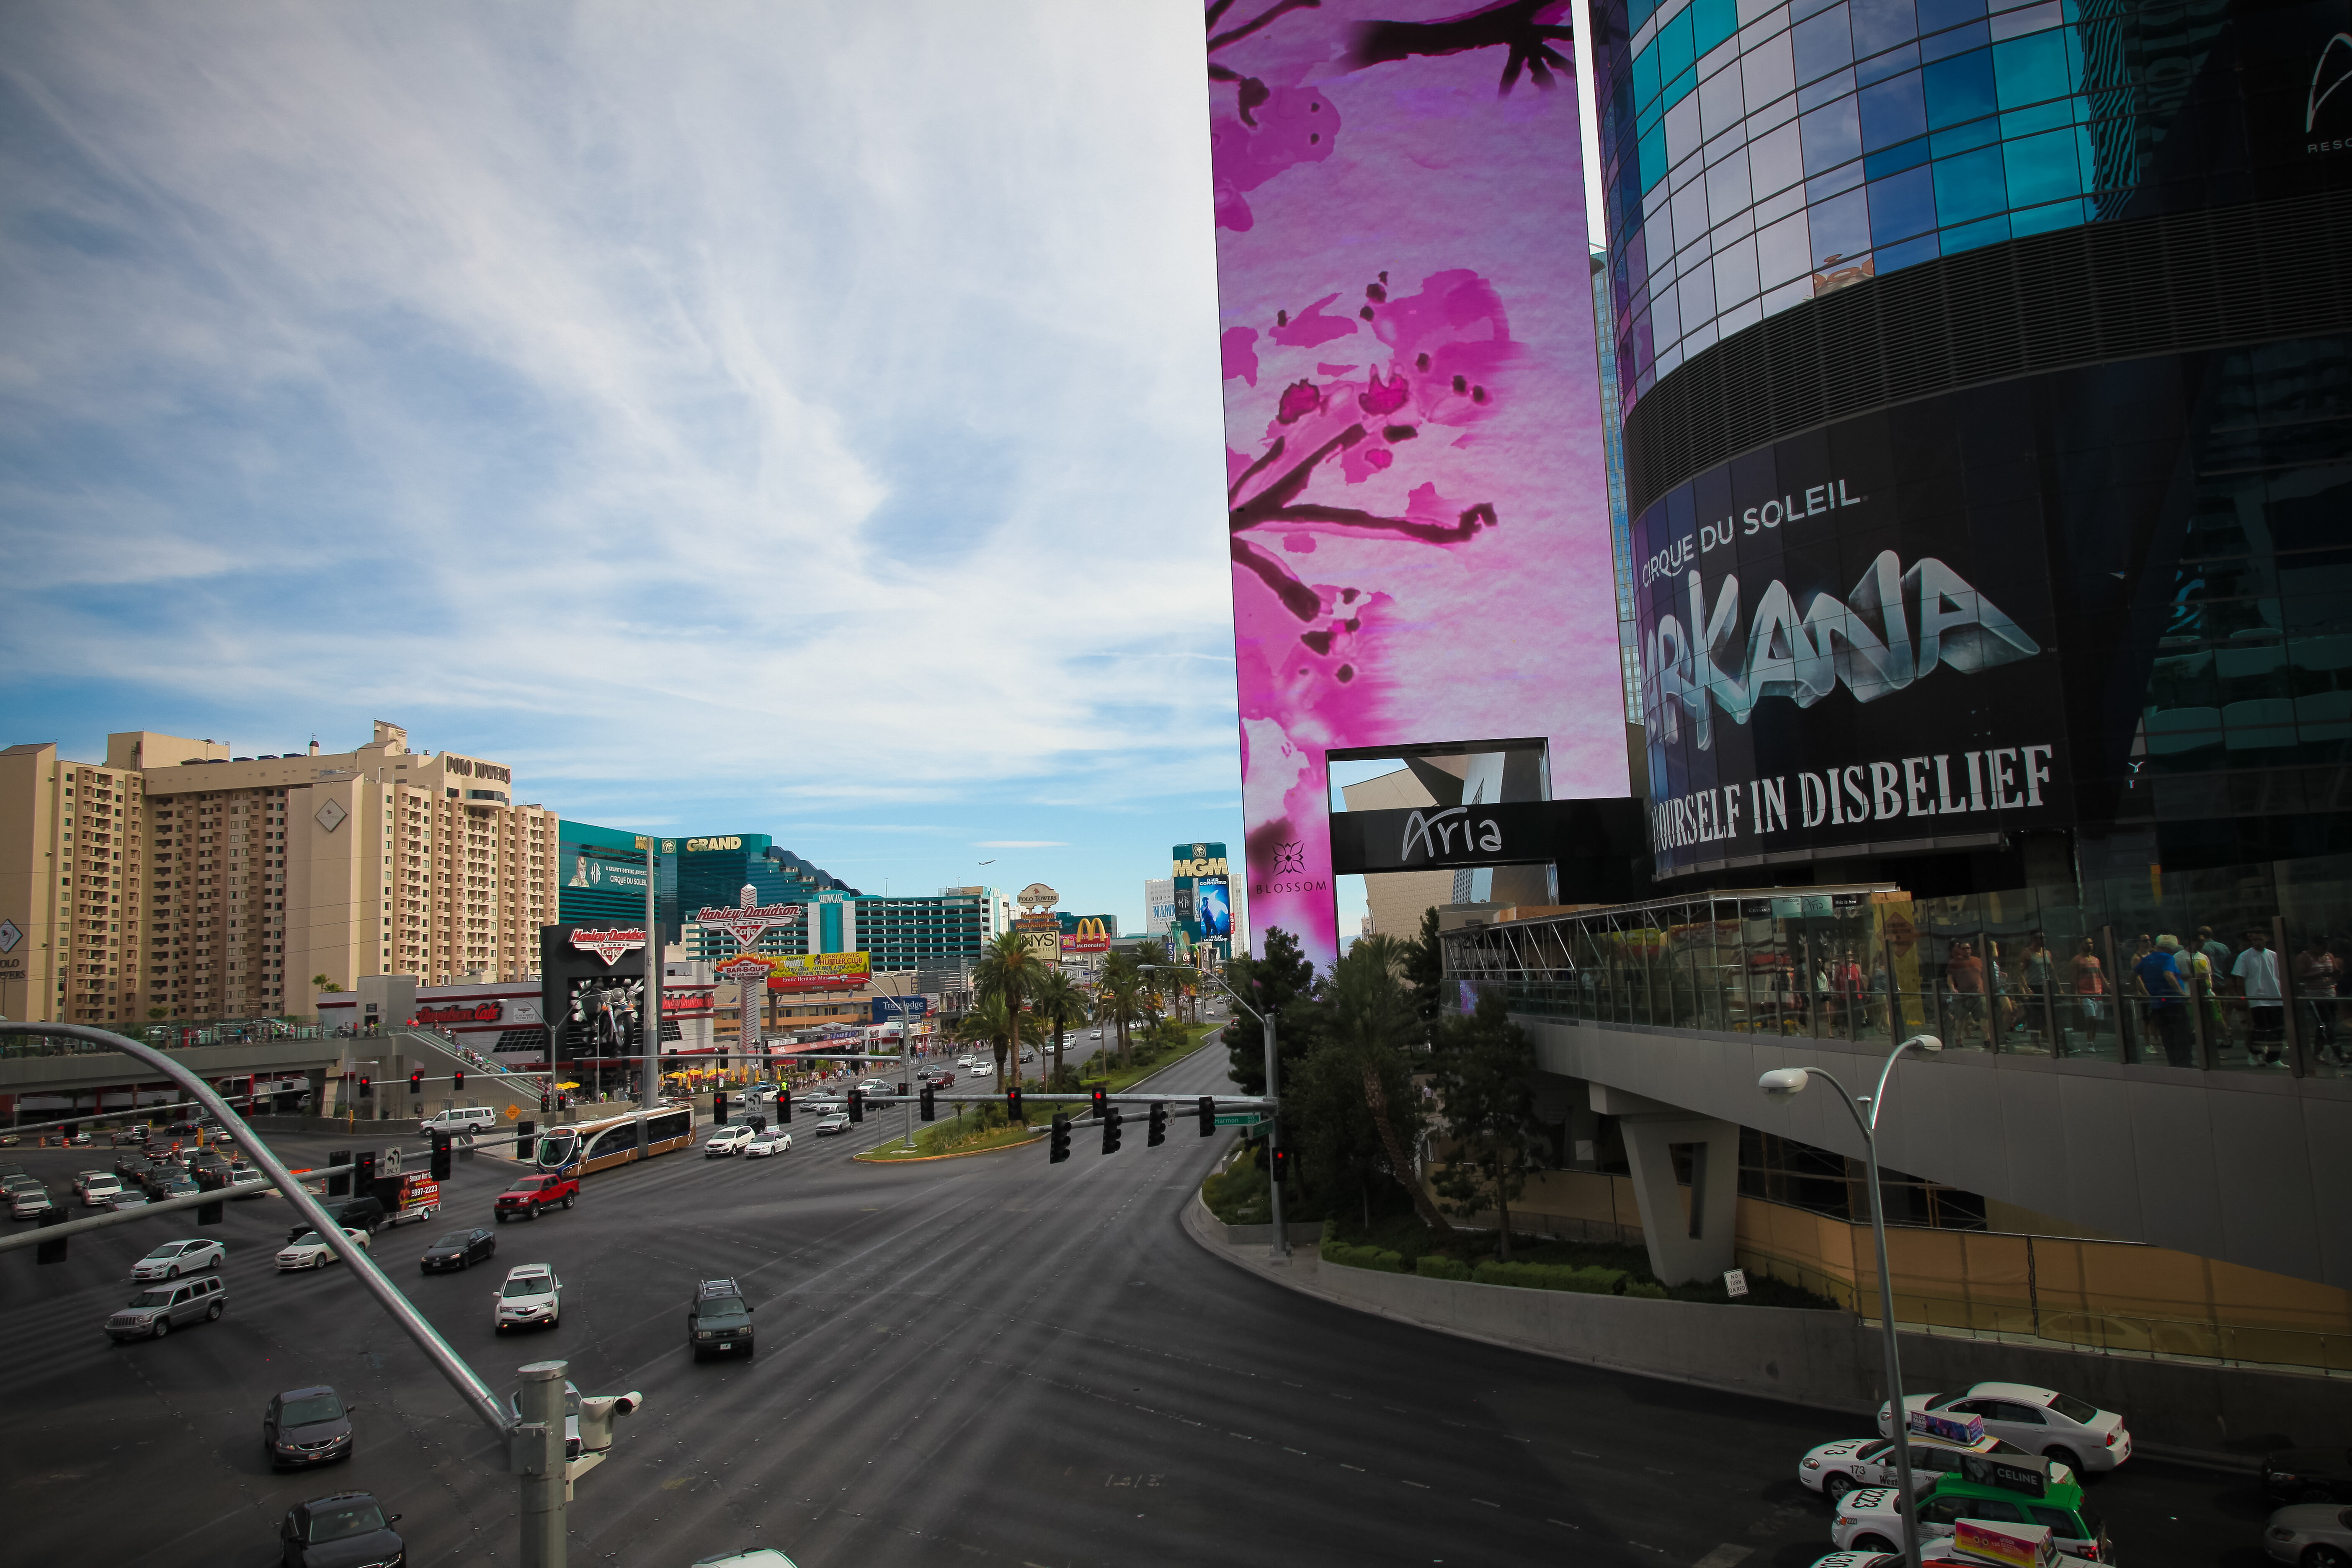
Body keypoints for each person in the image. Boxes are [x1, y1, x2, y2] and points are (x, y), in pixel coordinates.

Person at [2137, 935, 2195, 1067]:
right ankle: (2185, 1063)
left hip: (2158, 1004)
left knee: (2167, 1036)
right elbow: (2168, 974)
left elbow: (2133, 975)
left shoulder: (2148, 959)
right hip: (2174, 1002)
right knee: (2182, 1034)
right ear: (2172, 948)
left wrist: (2138, 992)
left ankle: (2173, 1062)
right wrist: (2181, 992)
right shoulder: (2168, 958)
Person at [2233, 928, 2286, 1067]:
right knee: (2261, 1030)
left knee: (2277, 1030)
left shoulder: (2274, 955)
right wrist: (2243, 998)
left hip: (2276, 997)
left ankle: (2273, 1058)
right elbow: (2240, 979)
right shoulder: (2245, 956)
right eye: (2254, 940)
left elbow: (2280, 976)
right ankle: (2255, 1053)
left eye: (2260, 939)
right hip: (2257, 998)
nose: (2257, 942)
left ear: (2266, 939)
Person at [2295, 934, 2341, 1067]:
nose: (2324, 951)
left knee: (2324, 1026)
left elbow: (2336, 970)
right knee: (2326, 1024)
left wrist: (2337, 974)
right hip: (2315, 997)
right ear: (2314, 946)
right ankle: (2340, 1053)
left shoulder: (2329, 956)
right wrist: (2319, 975)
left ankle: (2317, 1053)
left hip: (2330, 994)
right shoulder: (2304, 958)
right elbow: (2299, 977)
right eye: (2322, 948)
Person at [1946, 940, 1986, 1036]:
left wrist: (1984, 987)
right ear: (1960, 950)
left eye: (1968, 948)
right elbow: (1950, 977)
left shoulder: (1978, 960)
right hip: (1963, 995)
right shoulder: (1954, 962)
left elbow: (1984, 975)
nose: (1967, 950)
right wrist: (1952, 988)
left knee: (1985, 1016)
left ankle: (1987, 1039)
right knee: (1961, 1018)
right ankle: (1958, 1039)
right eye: (1964, 949)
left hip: (1979, 993)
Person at [2070, 937, 2107, 1037]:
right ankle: (2089, 1042)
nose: (2089, 945)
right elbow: (2074, 979)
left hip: (2098, 993)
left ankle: (2093, 1043)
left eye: (2091, 943)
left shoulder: (2096, 960)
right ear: (2081, 945)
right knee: (2091, 1018)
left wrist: (2109, 989)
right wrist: (2076, 996)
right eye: (2087, 943)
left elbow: (2101, 975)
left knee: (2096, 1020)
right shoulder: (2076, 960)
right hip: (2085, 993)